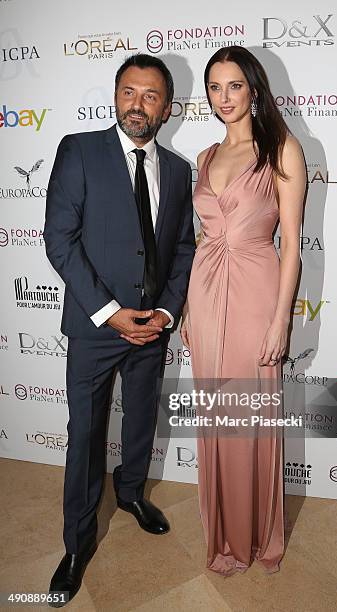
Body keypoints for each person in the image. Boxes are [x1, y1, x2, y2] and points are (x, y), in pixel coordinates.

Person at [44, 53, 195, 606]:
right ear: (115, 97)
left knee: (139, 422)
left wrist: (166, 313)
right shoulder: (79, 151)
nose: (137, 104)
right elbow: (59, 238)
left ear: (167, 108)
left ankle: (131, 493)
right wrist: (110, 312)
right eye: (128, 92)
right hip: (95, 326)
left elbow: (183, 249)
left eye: (150, 95)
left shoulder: (178, 171)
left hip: (152, 326)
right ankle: (77, 542)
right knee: (85, 435)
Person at [181, 46, 306, 576]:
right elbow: (201, 237)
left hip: (256, 294)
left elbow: (294, 247)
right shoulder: (206, 157)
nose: (224, 97)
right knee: (217, 415)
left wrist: (281, 319)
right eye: (215, 86)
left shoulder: (282, 149)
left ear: (254, 89)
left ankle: (256, 535)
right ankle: (225, 535)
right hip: (204, 297)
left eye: (234, 85)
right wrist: (188, 309)